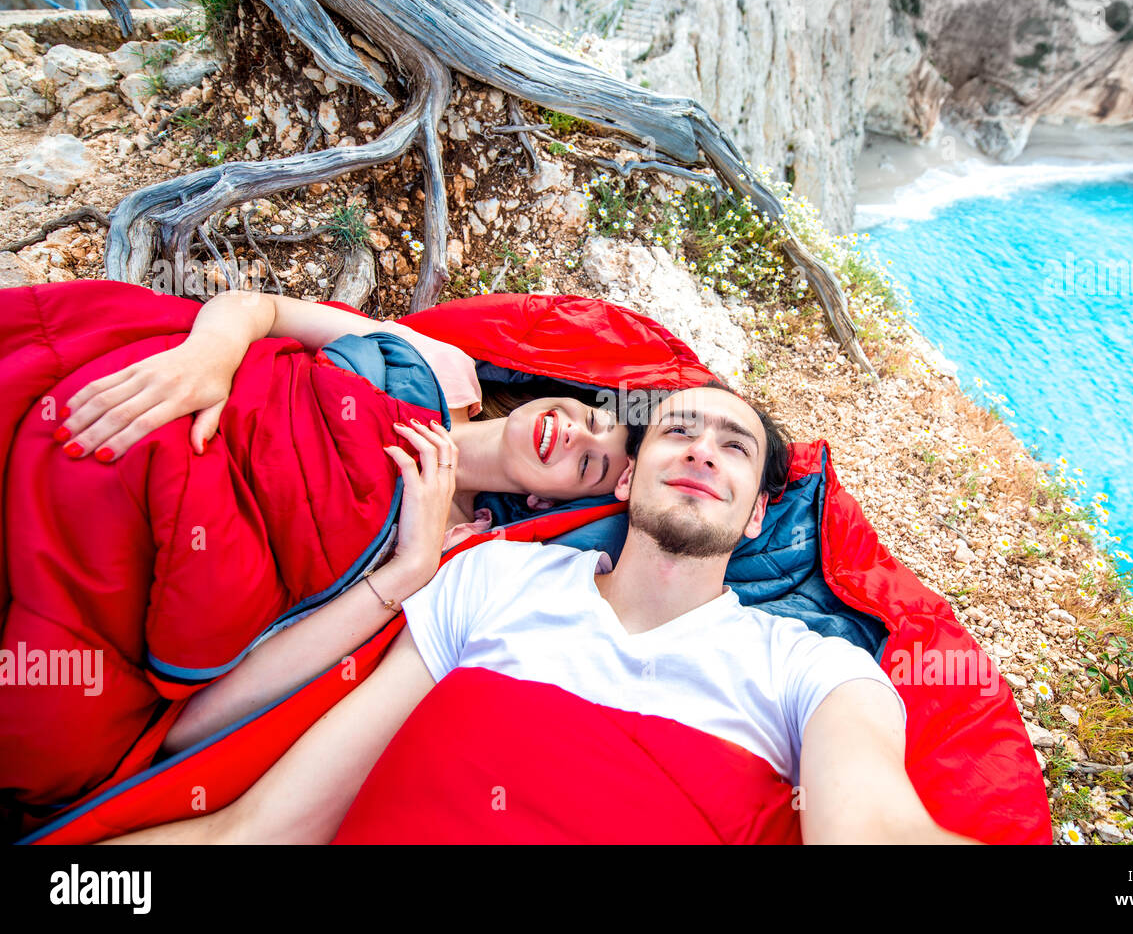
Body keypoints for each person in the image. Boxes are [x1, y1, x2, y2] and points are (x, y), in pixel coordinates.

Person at [110, 383, 978, 844]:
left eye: (734, 447)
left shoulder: (812, 669)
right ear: (630, 478)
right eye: (678, 432)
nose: (704, 451)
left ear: (756, 516)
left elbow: (873, 829)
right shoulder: (494, 581)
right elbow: (265, 826)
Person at [51, 289, 630, 527]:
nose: (578, 436)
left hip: (199, 512)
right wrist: (207, 358)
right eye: (595, 420)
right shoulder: (446, 369)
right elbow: (261, 308)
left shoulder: (444, 538)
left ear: (543, 501)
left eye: (588, 465)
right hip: (200, 401)